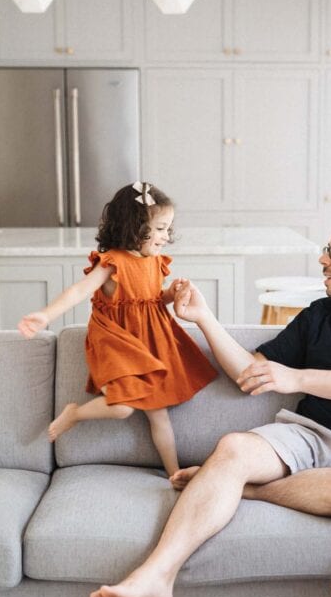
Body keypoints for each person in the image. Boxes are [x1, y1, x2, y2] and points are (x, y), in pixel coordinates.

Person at [88, 214, 331, 597]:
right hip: (307, 433)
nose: (323, 260)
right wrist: (204, 318)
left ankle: (237, 485)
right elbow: (249, 373)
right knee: (234, 448)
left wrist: (296, 378)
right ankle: (156, 576)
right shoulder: (319, 314)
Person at [17, 182, 217, 477]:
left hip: (149, 341)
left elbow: (149, 300)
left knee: (159, 414)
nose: (166, 236)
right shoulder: (112, 262)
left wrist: (171, 295)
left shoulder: (155, 262)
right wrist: (45, 315)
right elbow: (79, 291)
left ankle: (174, 473)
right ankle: (75, 413)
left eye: (167, 229)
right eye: (160, 228)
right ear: (135, 227)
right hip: (116, 339)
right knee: (122, 407)